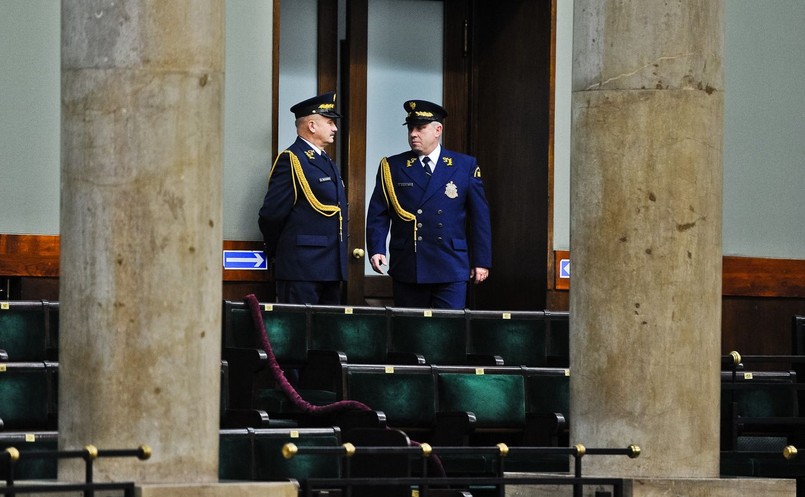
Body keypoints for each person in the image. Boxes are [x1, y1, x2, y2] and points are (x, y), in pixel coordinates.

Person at [366, 99, 492, 309]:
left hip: (450, 264)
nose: (413, 134)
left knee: (448, 330)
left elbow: (480, 217)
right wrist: (376, 248)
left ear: (437, 130)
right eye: (411, 129)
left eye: (421, 128)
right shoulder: (393, 166)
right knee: (410, 330)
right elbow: (379, 213)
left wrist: (481, 260)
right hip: (409, 263)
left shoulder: (463, 165)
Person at [258, 91, 347, 304]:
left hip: (330, 268)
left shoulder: (325, 160)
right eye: (329, 122)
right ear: (312, 126)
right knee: (298, 334)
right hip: (301, 269)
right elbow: (271, 216)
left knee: (326, 334)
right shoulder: (292, 159)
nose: (335, 128)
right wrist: (282, 253)